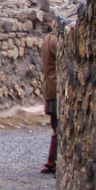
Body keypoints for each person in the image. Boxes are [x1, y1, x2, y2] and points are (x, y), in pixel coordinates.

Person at [38, 26, 59, 175]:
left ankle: (51, 162)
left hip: (50, 88)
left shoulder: (47, 40)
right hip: (56, 87)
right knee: (58, 128)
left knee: (55, 126)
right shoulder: (54, 41)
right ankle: (51, 162)